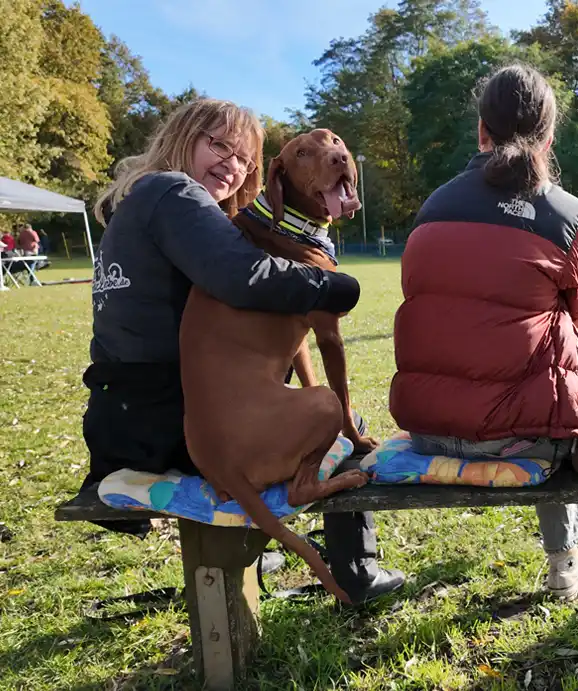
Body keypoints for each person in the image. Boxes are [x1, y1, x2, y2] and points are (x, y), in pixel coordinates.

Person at [80, 97, 403, 601]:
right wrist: (338, 289)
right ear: (180, 138)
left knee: (317, 415)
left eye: (244, 160)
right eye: (219, 146)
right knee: (344, 429)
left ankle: (264, 544)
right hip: (168, 424)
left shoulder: (138, 201)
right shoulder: (173, 194)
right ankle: (357, 571)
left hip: (123, 420)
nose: (232, 166)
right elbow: (245, 277)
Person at [389, 64, 578, 599]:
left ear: (482, 131)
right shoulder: (575, 218)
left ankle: (566, 555)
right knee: (566, 384)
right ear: (550, 136)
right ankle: (565, 557)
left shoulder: (432, 208)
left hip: (427, 429)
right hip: (519, 441)